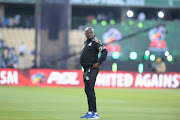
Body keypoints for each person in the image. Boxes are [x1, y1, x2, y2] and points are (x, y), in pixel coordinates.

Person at [80, 27, 108, 119]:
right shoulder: (86, 42)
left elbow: (104, 51)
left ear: (93, 33)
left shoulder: (96, 41)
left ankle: (95, 113)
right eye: (87, 33)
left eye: (90, 32)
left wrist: (99, 63)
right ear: (85, 34)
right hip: (86, 68)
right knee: (87, 90)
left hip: (92, 68)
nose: (89, 34)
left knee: (90, 89)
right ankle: (90, 111)